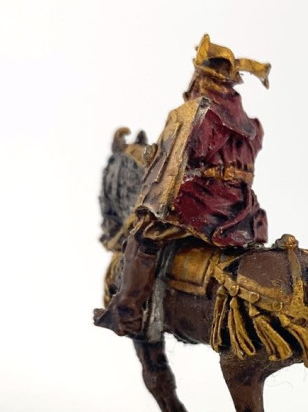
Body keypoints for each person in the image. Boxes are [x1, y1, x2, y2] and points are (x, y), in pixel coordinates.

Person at [95, 35, 271, 338]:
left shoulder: (194, 112)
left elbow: (170, 158)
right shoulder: (252, 125)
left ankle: (128, 314)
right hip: (243, 211)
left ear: (201, 76)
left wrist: (139, 154)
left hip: (203, 205)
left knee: (142, 235)